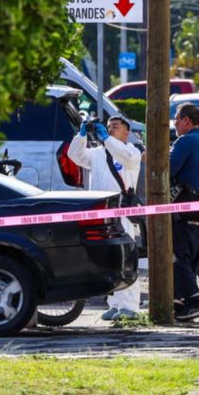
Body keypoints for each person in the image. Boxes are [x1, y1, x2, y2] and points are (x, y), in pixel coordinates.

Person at [68, 115, 143, 321]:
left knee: (126, 259)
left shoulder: (131, 152)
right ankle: (115, 304)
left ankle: (130, 306)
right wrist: (81, 135)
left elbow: (126, 158)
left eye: (115, 127)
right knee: (109, 261)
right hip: (102, 214)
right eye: (107, 127)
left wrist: (107, 139)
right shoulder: (97, 154)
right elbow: (74, 155)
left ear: (126, 132)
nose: (109, 129)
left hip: (122, 212)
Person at [170, 103, 199, 321]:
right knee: (188, 259)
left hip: (186, 212)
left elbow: (167, 169)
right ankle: (179, 303)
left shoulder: (185, 141)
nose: (174, 123)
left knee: (176, 258)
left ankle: (196, 302)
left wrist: (148, 158)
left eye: (176, 118)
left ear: (186, 120)